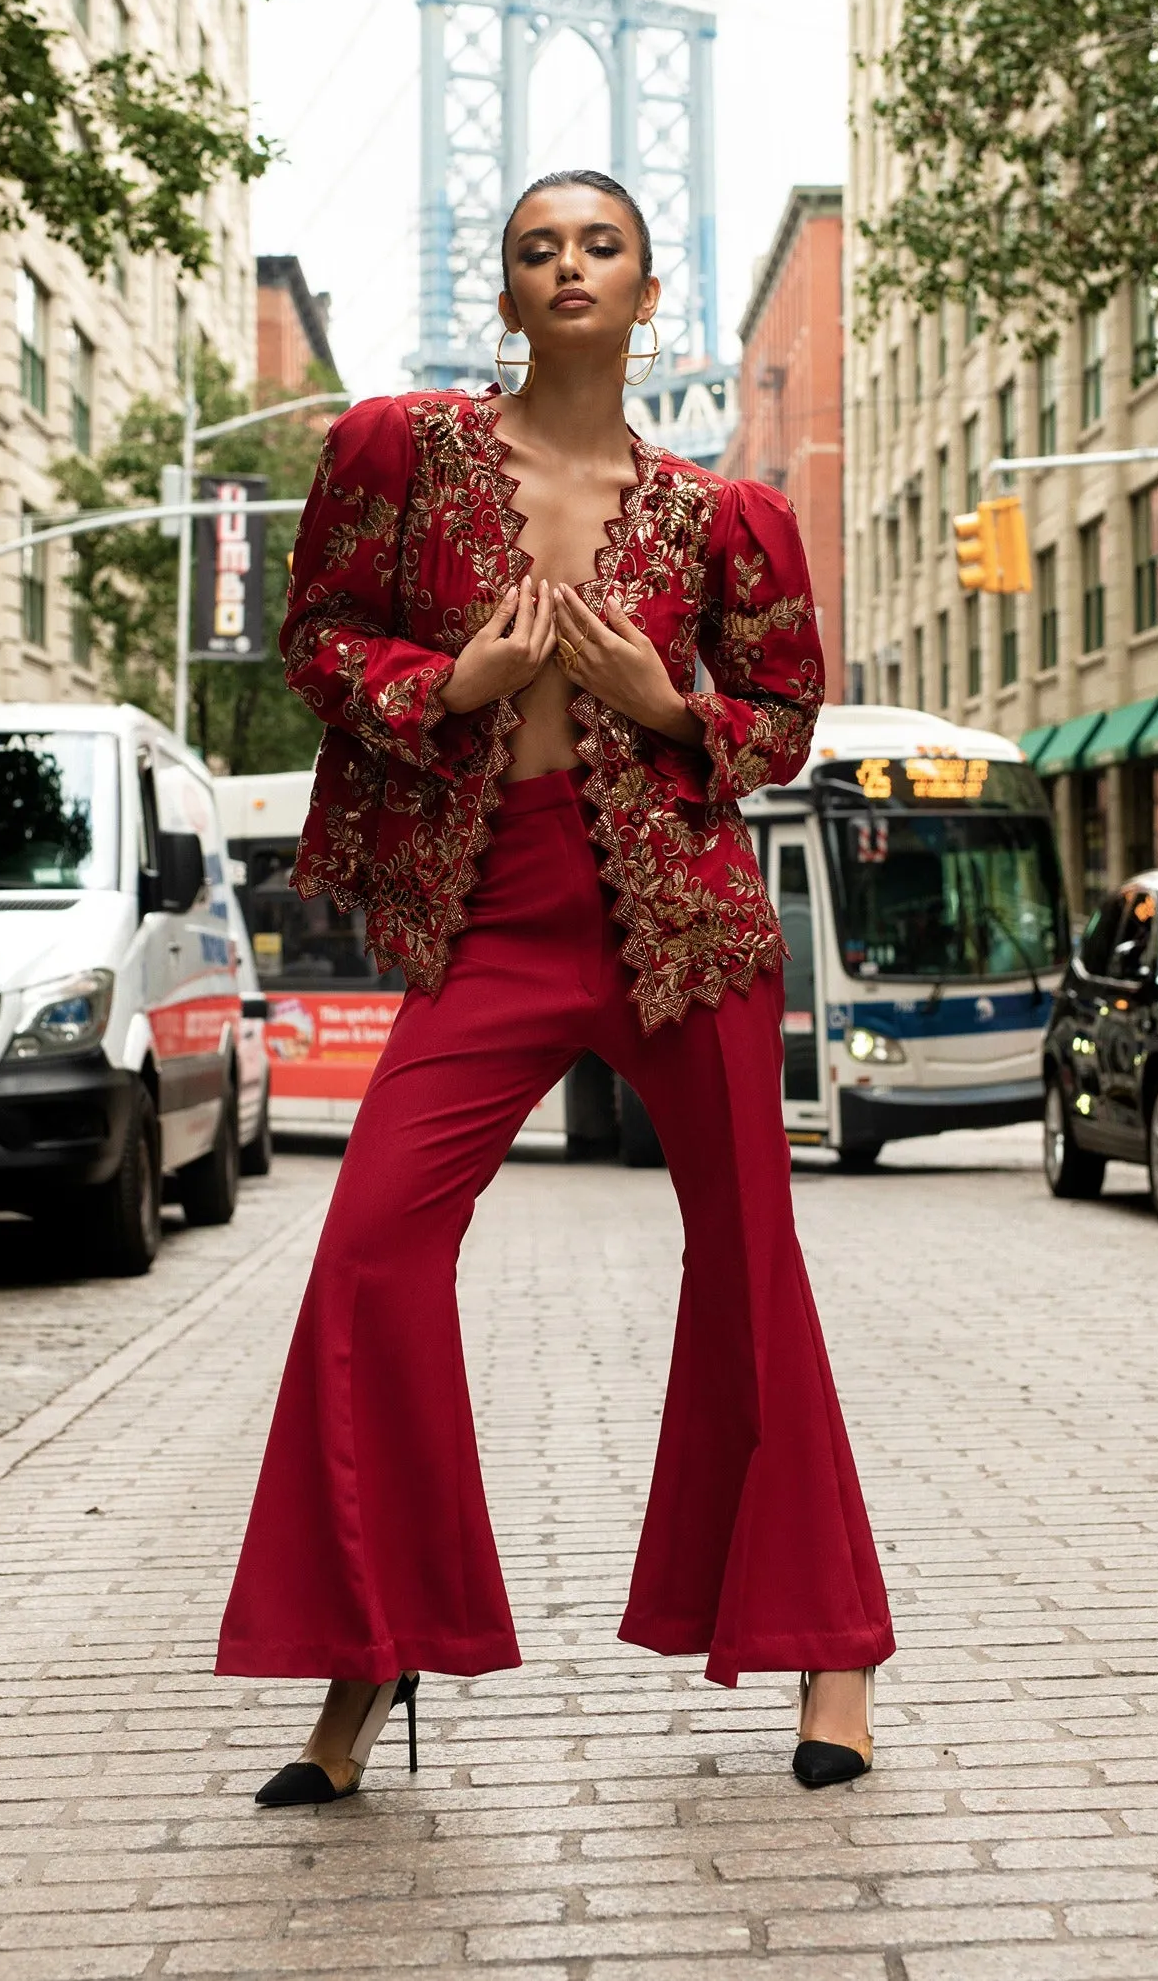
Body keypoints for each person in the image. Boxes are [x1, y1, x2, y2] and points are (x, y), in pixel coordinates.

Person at [216, 169, 895, 1799]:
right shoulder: (401, 450)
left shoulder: (729, 517)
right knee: (371, 1247)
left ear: (644, 293)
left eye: (599, 246)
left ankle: (831, 1655)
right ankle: (373, 1645)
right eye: (538, 249)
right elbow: (314, 637)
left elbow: (789, 708)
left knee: (749, 1262)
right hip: (493, 914)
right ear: (505, 295)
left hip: (685, 920)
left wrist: (671, 705)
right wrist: (454, 676)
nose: (568, 265)